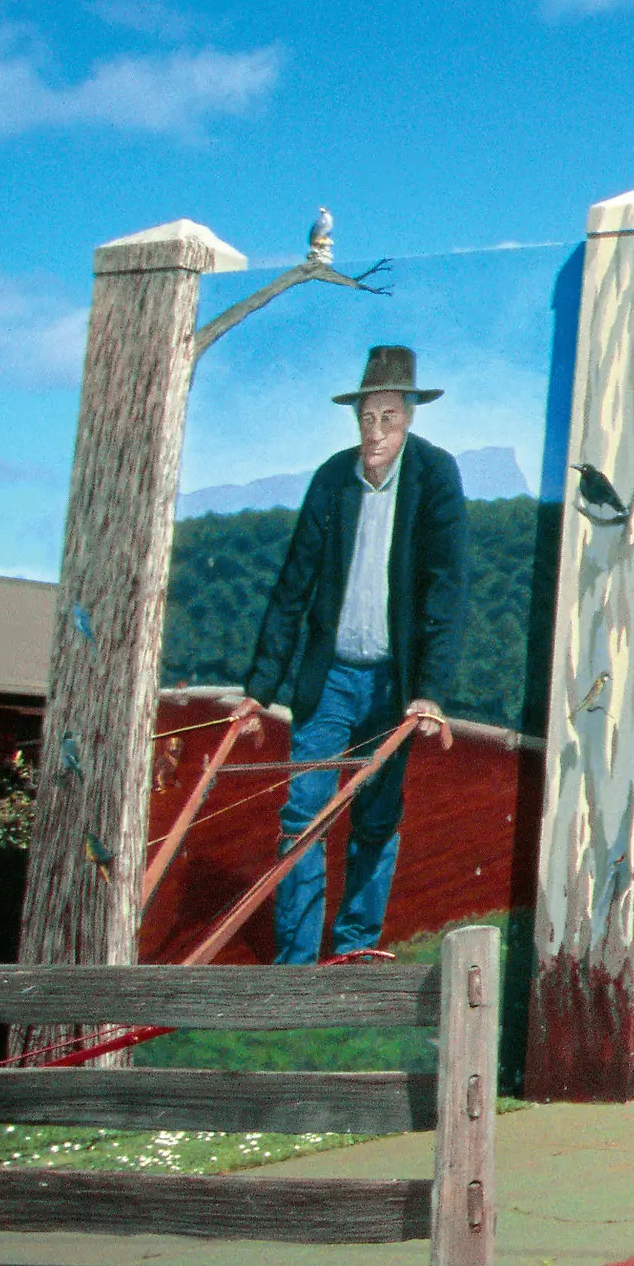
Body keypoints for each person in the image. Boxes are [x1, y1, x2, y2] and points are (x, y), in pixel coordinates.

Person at [243, 345, 463, 963]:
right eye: (367, 417)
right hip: (329, 680)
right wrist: (259, 689)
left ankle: (355, 952)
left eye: (388, 417)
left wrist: (430, 692)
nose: (375, 430)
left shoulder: (435, 477)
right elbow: (293, 585)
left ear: (410, 417)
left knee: (374, 818)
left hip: (393, 686)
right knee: (303, 818)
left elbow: (448, 591)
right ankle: (293, 968)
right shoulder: (332, 479)